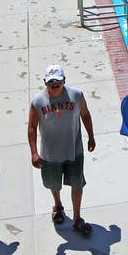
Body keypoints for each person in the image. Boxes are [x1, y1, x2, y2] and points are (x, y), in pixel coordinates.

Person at [28, 65, 96, 236]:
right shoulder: (37, 101)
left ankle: (77, 218)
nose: (54, 84)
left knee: (77, 184)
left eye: (57, 81)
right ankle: (57, 206)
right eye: (51, 81)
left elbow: (85, 115)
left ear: (64, 80)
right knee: (53, 183)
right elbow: (31, 127)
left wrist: (91, 136)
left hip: (74, 149)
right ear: (45, 82)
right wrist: (34, 152)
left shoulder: (77, 95)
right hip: (50, 153)